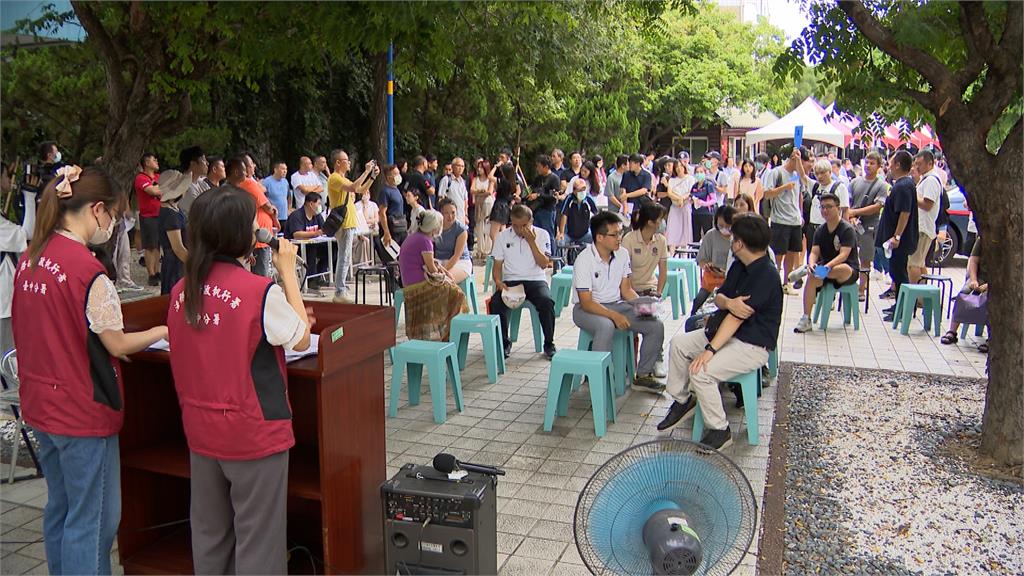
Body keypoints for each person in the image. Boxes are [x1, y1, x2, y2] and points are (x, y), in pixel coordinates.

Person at [13, 165, 167, 575]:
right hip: (82, 411)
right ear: (97, 210)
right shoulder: (87, 269)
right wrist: (161, 329)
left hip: (41, 405)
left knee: (61, 509)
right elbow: (114, 341)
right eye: (113, 215)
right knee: (93, 522)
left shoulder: (30, 259)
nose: (114, 224)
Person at [167, 186, 311, 575]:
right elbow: (300, 336)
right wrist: (287, 273)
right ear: (240, 235)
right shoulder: (257, 291)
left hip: (201, 430)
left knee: (210, 537)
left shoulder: (181, 291)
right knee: (258, 544)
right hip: (252, 433)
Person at [656, 215, 782, 450]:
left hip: (751, 345)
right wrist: (729, 303)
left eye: (733, 238)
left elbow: (736, 318)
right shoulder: (740, 265)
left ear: (739, 243)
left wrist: (710, 351)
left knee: (701, 372)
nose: (730, 240)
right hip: (725, 332)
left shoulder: (766, 274)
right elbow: (721, 297)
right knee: (679, 344)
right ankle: (683, 400)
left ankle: (720, 429)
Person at [572, 211, 665, 393]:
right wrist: (614, 315)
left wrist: (642, 306)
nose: (619, 238)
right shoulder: (584, 260)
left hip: (616, 305)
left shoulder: (622, 254)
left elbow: (626, 290)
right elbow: (586, 302)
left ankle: (643, 375)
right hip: (586, 310)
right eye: (614, 235)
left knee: (655, 324)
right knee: (606, 325)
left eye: (620, 233)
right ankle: (598, 376)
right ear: (599, 237)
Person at [488, 205, 556, 359]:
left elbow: (544, 264)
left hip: (536, 279)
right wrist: (498, 281)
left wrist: (531, 242)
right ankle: (504, 343)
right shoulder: (503, 236)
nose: (519, 230)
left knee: (546, 302)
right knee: (496, 303)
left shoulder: (542, 234)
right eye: (515, 226)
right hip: (512, 280)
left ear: (531, 221)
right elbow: (497, 266)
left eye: (524, 226)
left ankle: (549, 343)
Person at [397, 210, 468, 340]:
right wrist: (445, 276)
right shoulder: (425, 241)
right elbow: (432, 269)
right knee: (457, 294)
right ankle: (448, 333)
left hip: (409, 280)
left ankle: (445, 329)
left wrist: (444, 272)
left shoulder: (414, 237)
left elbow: (431, 264)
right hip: (417, 282)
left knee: (450, 288)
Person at [793, 193, 859, 333]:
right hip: (824, 272)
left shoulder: (847, 229)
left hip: (844, 271)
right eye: (822, 207)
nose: (825, 210)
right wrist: (811, 263)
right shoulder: (820, 230)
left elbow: (844, 255)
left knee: (843, 268)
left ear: (838, 208)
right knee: (812, 277)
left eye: (829, 207)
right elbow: (814, 252)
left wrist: (827, 267)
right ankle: (806, 318)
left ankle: (811, 271)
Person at [327, 150, 377, 303]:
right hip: (344, 223)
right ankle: (340, 291)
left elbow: (360, 189)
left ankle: (341, 289)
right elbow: (355, 187)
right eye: (346, 160)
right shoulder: (334, 178)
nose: (349, 163)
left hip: (348, 222)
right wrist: (367, 171)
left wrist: (372, 177)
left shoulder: (342, 178)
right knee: (344, 257)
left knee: (345, 256)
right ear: (338, 162)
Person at [764, 146, 812, 294]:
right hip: (780, 220)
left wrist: (800, 214)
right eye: (806, 162)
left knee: (792, 253)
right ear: (795, 158)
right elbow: (767, 194)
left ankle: (787, 283)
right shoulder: (776, 172)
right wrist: (783, 187)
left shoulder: (798, 175)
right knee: (778, 254)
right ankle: (774, 282)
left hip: (795, 220)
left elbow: (799, 195)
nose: (806, 167)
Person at [878, 150, 919, 323]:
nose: (888, 166)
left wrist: (897, 236)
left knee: (899, 273)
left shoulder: (903, 186)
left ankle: (903, 309)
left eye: (891, 162)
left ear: (898, 165)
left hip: (900, 241)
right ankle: (898, 305)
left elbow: (904, 213)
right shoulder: (903, 185)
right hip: (896, 239)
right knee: (896, 272)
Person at [847, 151, 889, 301]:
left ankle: (861, 289)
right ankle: (847, 283)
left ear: (878, 166)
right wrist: (850, 215)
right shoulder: (854, 182)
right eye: (867, 162)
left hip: (869, 225)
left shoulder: (881, 185)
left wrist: (854, 212)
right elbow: (847, 201)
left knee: (865, 258)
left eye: (872, 163)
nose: (868, 166)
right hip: (851, 224)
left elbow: (877, 206)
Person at [228, 156, 277, 278]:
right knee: (261, 275)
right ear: (236, 171)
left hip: (255, 237)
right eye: (249, 166)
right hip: (257, 240)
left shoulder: (245, 186)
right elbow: (266, 206)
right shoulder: (247, 183)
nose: (253, 167)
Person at [941, 236, 987, 351]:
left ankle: (992, 338)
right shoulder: (983, 238)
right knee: (964, 293)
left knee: (992, 299)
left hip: (1000, 282)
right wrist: (973, 279)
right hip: (980, 276)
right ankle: (952, 331)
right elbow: (973, 260)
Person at [803, 158, 850, 263]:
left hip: (830, 229)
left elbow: (845, 210)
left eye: (823, 173)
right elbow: (802, 176)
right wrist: (797, 158)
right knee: (812, 259)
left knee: (828, 260)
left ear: (830, 172)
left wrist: (845, 233)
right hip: (813, 228)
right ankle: (814, 278)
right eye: (817, 173)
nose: (819, 176)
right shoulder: (815, 186)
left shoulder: (839, 187)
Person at [691, 206, 736, 313]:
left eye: (728, 226)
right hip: (711, 282)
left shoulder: (738, 238)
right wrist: (706, 265)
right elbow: (701, 260)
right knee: (698, 302)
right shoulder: (711, 235)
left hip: (731, 283)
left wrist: (727, 273)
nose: (724, 229)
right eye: (721, 226)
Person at [908, 149, 942, 286]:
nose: (917, 167)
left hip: (923, 228)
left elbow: (927, 204)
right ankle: (923, 296)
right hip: (921, 226)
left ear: (930, 164)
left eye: (920, 164)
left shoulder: (931, 180)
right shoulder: (926, 179)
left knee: (913, 264)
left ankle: (915, 297)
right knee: (919, 263)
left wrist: (912, 196)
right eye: (916, 164)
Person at [283, 192, 328, 288]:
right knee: (311, 249)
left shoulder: (317, 215)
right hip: (295, 248)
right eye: (318, 204)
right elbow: (296, 234)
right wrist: (315, 233)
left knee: (331, 248)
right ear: (311, 204)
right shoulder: (297, 216)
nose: (320, 206)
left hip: (312, 244)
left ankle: (319, 275)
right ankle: (310, 279)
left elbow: (324, 229)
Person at [623, 203, 668, 297]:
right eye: (660, 219)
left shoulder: (661, 241)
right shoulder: (629, 240)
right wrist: (631, 295)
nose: (662, 222)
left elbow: (663, 270)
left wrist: (659, 293)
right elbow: (623, 272)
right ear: (650, 222)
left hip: (651, 290)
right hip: (631, 291)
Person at [157, 170, 191, 295]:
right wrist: (196, 264)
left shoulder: (173, 209)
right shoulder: (171, 214)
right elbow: (178, 248)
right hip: (176, 264)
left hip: (176, 262)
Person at [134, 152, 163, 286]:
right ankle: (151, 273)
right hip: (148, 216)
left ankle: (157, 271)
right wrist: (162, 188)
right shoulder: (141, 178)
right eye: (153, 159)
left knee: (157, 246)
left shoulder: (158, 177)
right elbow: (152, 191)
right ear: (146, 163)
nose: (156, 161)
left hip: (159, 214)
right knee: (150, 246)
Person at [435, 198, 473, 283]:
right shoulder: (436, 227)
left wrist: (443, 270)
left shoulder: (461, 230)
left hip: (460, 262)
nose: (450, 216)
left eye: (453, 213)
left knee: (444, 281)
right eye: (446, 213)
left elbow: (457, 255)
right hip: (440, 260)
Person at [557, 177, 599, 247]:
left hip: (585, 234)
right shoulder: (569, 199)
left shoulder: (588, 199)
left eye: (584, 190)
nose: (582, 192)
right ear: (574, 190)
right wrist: (561, 232)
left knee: (598, 240)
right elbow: (564, 215)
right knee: (559, 242)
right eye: (580, 190)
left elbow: (596, 214)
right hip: (570, 234)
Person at [528, 155, 561, 240]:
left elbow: (553, 197)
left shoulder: (554, 178)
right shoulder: (538, 178)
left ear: (546, 167)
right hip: (537, 209)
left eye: (539, 166)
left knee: (548, 235)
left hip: (548, 210)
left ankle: (551, 252)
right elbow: (533, 189)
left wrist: (538, 195)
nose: (537, 169)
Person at [665, 159, 694, 252]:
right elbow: (669, 193)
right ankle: (672, 253)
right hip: (675, 207)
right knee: (673, 229)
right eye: (676, 167)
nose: (679, 169)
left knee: (686, 231)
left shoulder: (690, 179)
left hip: (685, 206)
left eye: (681, 166)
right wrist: (679, 199)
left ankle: (684, 253)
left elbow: (690, 192)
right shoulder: (672, 180)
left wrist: (683, 198)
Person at [378, 164, 408, 247]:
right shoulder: (385, 191)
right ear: (389, 177)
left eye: (398, 173)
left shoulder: (397, 190)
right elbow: (382, 213)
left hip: (401, 226)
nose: (398, 176)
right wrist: (386, 232)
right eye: (395, 174)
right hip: (392, 228)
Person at [470, 159, 495, 257]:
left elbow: (490, 191)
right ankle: (480, 249)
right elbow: (472, 190)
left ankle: (487, 249)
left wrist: (479, 192)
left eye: (481, 167)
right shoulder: (475, 179)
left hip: (488, 202)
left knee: (487, 225)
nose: (479, 169)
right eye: (478, 167)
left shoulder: (490, 180)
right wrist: (480, 191)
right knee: (479, 225)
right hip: (479, 203)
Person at [490, 162, 518, 249]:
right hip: (506, 206)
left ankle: (496, 251)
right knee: (502, 231)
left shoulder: (503, 180)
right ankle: (503, 251)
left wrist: (495, 167)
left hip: (499, 206)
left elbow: (490, 177)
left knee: (493, 234)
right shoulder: (512, 182)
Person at [619, 153, 654, 222]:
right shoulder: (626, 174)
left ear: (638, 164)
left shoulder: (646, 175)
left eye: (631, 163)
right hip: (629, 205)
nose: (629, 165)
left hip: (641, 204)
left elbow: (644, 190)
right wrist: (625, 206)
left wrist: (627, 195)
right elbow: (623, 189)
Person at [437, 157, 469, 226]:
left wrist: (466, 215)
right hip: (449, 217)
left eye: (462, 166)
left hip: (461, 216)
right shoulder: (446, 180)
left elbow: (465, 199)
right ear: (453, 166)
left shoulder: (463, 182)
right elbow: (441, 198)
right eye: (458, 166)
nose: (460, 168)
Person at [178, 146, 209, 215]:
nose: (207, 163)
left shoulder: (202, 183)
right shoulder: (185, 187)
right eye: (204, 160)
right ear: (193, 164)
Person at [690, 164, 717, 240]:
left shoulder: (708, 185)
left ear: (705, 173)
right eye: (697, 172)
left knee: (708, 235)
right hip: (695, 213)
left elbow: (714, 200)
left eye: (701, 172)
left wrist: (704, 203)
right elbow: (691, 196)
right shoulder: (694, 186)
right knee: (695, 236)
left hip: (706, 213)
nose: (699, 174)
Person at [262, 160, 291, 230]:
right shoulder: (267, 181)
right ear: (275, 170)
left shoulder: (285, 181)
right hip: (272, 217)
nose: (285, 171)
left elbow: (289, 196)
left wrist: (289, 209)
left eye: (286, 169)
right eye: (282, 169)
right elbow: (262, 197)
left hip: (284, 217)